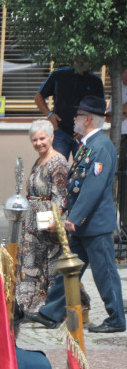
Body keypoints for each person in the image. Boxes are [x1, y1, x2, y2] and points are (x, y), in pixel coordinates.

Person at [26, 95, 126, 334]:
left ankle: (116, 318)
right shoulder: (87, 145)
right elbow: (76, 185)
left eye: (79, 115)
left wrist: (73, 218)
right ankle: (50, 313)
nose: (75, 119)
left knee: (105, 273)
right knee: (67, 271)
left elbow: (92, 188)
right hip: (83, 224)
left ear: (89, 119)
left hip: (94, 224)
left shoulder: (101, 147)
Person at [18, 120, 69, 312]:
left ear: (52, 137)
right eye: (34, 140)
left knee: (50, 262)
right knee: (30, 260)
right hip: (32, 218)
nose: (38, 143)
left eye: (42, 138)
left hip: (48, 215)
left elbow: (60, 194)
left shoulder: (58, 161)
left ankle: (53, 305)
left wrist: (55, 220)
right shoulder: (39, 160)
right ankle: (26, 303)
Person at [34, 61, 104, 160]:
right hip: (60, 131)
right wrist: (49, 115)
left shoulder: (95, 80)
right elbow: (38, 97)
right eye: (79, 58)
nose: (82, 61)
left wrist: (88, 128)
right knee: (57, 167)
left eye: (85, 59)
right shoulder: (58, 75)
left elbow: (100, 109)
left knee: (82, 169)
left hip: (83, 134)